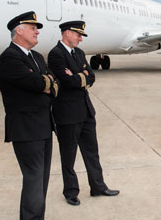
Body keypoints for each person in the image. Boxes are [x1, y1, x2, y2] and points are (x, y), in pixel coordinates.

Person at [0, 11, 59, 220]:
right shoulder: (9, 58)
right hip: (25, 129)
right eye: (32, 27)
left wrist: (47, 83)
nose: (37, 31)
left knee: (41, 178)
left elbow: (53, 84)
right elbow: (35, 84)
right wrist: (45, 83)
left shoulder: (35, 56)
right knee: (33, 179)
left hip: (44, 124)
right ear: (18, 30)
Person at [47, 20, 119, 206]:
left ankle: (98, 186)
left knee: (92, 153)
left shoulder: (78, 53)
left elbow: (92, 77)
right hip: (67, 114)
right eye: (78, 34)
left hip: (86, 111)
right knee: (68, 156)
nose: (80, 39)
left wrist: (78, 76)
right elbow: (66, 81)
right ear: (66, 33)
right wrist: (82, 76)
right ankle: (71, 192)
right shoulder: (55, 55)